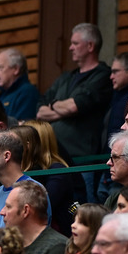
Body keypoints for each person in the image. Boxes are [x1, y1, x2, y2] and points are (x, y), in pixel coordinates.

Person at [37, 22, 114, 162]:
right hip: (55, 158)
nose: (70, 47)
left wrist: (53, 104)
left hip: (82, 159)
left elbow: (75, 106)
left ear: (90, 46)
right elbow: (40, 112)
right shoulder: (66, 77)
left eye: (75, 43)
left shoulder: (103, 76)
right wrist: (64, 110)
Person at [1, 181, 68, 254]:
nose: (2, 212)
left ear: (25, 211)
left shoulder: (56, 249)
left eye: (8, 207)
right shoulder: (11, 246)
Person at [0, 47, 40, 122]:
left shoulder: (28, 93)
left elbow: (21, 130)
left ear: (16, 69)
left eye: (0, 67)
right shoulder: (2, 95)